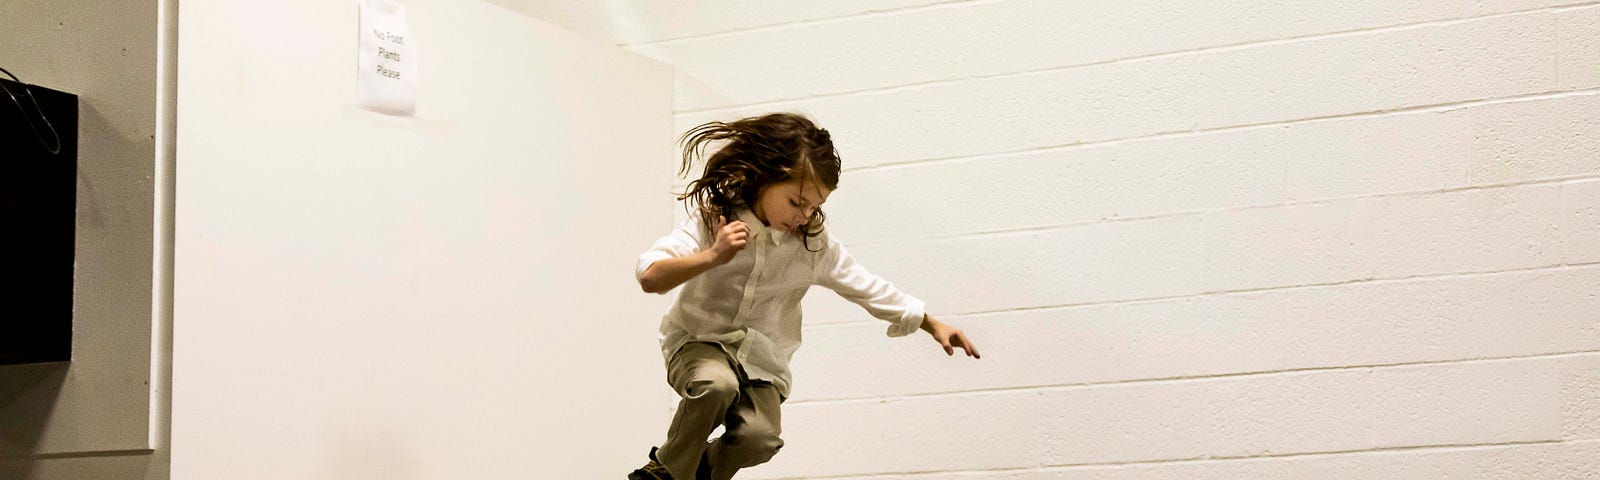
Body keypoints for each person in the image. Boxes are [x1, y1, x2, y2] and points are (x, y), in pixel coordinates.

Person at [629, 113, 981, 480]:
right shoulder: (716, 219)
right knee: (717, 385)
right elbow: (651, 276)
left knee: (759, 438)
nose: (804, 215)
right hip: (699, 343)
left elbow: (865, 285)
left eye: (814, 206)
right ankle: (664, 472)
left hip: (763, 363)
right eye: (796, 202)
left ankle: (702, 469)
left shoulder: (811, 245)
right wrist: (713, 256)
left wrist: (930, 323)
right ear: (763, 178)